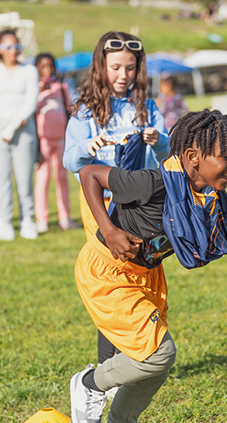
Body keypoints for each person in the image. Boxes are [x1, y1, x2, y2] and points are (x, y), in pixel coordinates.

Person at [69, 110, 227, 423]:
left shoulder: (203, 194)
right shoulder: (154, 183)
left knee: (155, 365)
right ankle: (90, 383)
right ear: (193, 157)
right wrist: (110, 231)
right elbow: (89, 174)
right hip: (109, 272)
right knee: (159, 354)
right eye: (225, 156)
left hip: (146, 276)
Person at [63, 31, 171, 377]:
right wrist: (88, 147)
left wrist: (159, 140)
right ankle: (107, 368)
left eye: (130, 68)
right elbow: (70, 160)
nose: (123, 75)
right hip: (101, 204)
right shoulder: (85, 110)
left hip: (139, 206)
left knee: (139, 275)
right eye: (115, 68)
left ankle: (132, 359)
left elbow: (168, 154)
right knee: (114, 281)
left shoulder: (147, 108)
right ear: (101, 67)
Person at [0, 28, 39, 241]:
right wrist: (8, 125)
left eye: (16, 46)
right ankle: (4, 223)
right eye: (8, 46)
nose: (13, 50)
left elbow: (30, 103)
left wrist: (13, 126)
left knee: (24, 179)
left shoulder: (29, 71)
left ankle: (28, 220)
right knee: (0, 178)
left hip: (24, 130)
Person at [34, 52, 75, 233]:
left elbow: (69, 110)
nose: (48, 69)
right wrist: (39, 90)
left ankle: (65, 217)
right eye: (43, 66)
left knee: (61, 178)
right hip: (43, 140)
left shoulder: (61, 87)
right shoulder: (34, 89)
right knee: (43, 179)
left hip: (61, 139)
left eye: (50, 66)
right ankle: (41, 218)